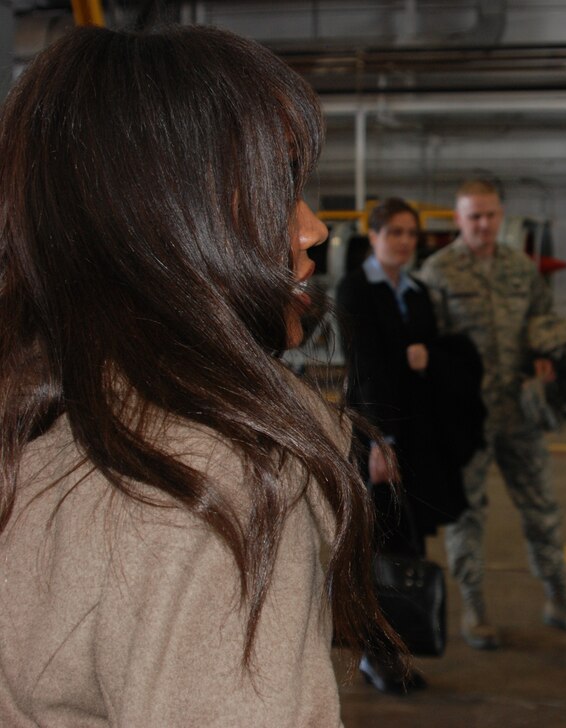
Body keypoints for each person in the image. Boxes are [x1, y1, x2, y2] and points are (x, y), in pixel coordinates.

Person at [0, 25, 401, 725]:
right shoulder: (212, 478)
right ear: (164, 214)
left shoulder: (37, 413)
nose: (312, 230)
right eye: (279, 188)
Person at [418, 179, 566, 649]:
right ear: (457, 219)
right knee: (467, 516)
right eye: (473, 216)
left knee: (542, 509)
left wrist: (548, 357)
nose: (483, 224)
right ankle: (475, 611)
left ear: (501, 217)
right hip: (467, 418)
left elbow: (541, 320)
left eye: (490, 215)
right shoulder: (437, 273)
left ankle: (559, 600)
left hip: (520, 412)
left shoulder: (522, 269)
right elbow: (429, 343)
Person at [336, 197, 484, 693]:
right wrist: (382, 442)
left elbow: (430, 357)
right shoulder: (356, 289)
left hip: (414, 441)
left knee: (408, 547)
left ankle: (396, 649)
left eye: (410, 234)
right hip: (378, 438)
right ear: (374, 237)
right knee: (377, 549)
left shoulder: (417, 292)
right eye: (393, 232)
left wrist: (431, 360)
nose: (403, 241)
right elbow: (368, 370)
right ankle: (375, 656)